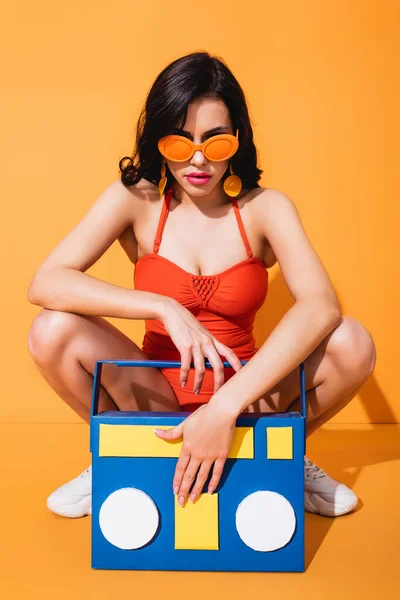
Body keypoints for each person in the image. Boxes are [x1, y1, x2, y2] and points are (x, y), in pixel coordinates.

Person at [27, 51, 376, 520]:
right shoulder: (138, 199)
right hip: (154, 393)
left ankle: (283, 453)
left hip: (250, 396)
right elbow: (47, 282)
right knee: (50, 331)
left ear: (237, 140)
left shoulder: (265, 208)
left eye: (214, 143)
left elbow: (320, 306)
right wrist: (163, 308)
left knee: (352, 341)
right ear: (159, 140)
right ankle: (117, 451)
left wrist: (225, 406)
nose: (197, 160)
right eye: (179, 143)